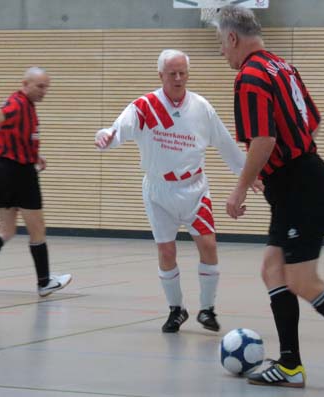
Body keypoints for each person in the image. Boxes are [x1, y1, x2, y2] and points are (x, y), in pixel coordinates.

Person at [213, 5, 324, 389]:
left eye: (221, 43)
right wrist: (274, 173)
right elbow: (311, 122)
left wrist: (241, 187)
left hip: (299, 186)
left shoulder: (250, 76)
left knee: (302, 279)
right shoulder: (281, 66)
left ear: (233, 37)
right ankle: (291, 365)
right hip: (299, 179)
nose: (221, 53)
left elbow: (263, 139)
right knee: (272, 270)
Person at [95, 49, 261, 333]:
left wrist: (248, 173)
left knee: (208, 245)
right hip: (159, 192)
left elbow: (224, 142)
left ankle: (207, 309)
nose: (178, 78)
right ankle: (176, 309)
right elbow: (118, 129)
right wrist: (107, 136)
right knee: (166, 251)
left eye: (182, 72)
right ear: (160, 75)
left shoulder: (201, 107)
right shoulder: (144, 106)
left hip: (195, 189)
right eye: (172, 73)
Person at [0, 67, 72, 300]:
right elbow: (2, 114)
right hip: (19, 173)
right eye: (40, 86)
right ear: (26, 84)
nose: (44, 91)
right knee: (37, 227)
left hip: (3, 170)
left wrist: (35, 155)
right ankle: (44, 282)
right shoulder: (19, 103)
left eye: (46, 87)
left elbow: (18, 134)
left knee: (6, 229)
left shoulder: (27, 106)